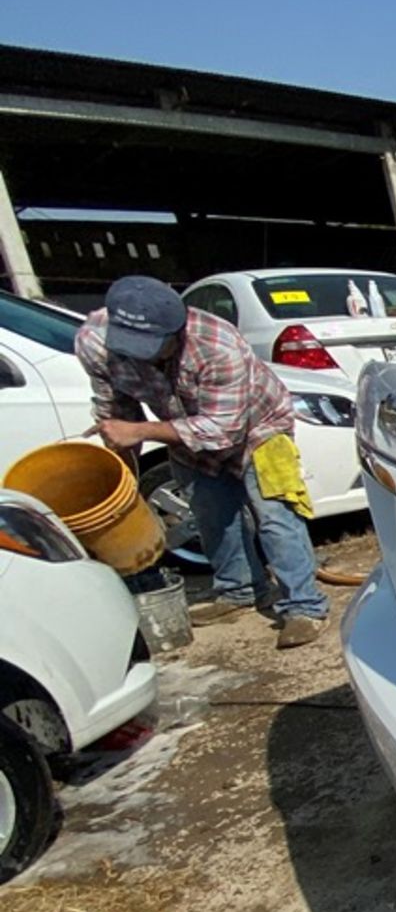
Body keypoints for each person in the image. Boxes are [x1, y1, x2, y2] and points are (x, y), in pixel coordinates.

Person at [75, 275, 328, 649]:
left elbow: (222, 430)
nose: (139, 356)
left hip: (260, 427)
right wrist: (123, 471)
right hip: (183, 433)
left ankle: (304, 606)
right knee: (212, 515)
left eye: (151, 347)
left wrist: (141, 431)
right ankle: (240, 590)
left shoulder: (217, 345)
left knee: (275, 514)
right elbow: (116, 410)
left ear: (177, 331)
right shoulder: (94, 342)